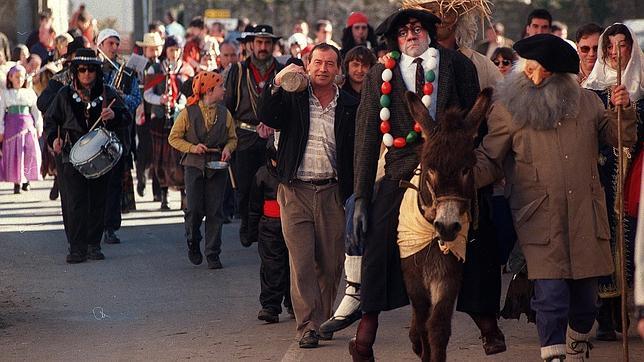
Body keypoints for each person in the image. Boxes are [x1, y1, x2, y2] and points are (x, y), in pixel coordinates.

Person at [474, 33, 636, 362]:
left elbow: (620, 136)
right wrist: (457, 177)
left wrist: (623, 110)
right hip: (538, 218)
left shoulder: (589, 102)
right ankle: (554, 355)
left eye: (543, 73)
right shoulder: (507, 110)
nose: (533, 79)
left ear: (562, 77)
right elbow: (490, 160)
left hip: (586, 217)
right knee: (550, 297)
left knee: (586, 302)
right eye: (529, 70)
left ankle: (576, 341)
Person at [350, 8, 479, 360]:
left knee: (484, 232)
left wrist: (456, 151)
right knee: (376, 243)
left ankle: (487, 320)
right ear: (395, 39)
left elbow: (474, 122)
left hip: (450, 169)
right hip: (401, 169)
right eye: (404, 30)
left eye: (417, 28)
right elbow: (365, 137)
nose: (411, 34)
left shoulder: (455, 65)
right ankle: (366, 328)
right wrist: (361, 195)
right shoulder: (380, 73)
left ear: (429, 33)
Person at [258, 43, 358, 348]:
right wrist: (277, 80)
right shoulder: (293, 98)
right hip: (295, 191)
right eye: (317, 63)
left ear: (338, 70)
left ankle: (322, 318)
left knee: (329, 265)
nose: (323, 69)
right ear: (307, 64)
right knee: (301, 263)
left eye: (330, 64)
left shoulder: (350, 105)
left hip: (332, 193)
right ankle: (307, 326)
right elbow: (266, 113)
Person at [583, 23, 643, 342]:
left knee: (633, 243)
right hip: (603, 177)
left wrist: (630, 107)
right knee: (606, 243)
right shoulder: (592, 93)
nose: (615, 52)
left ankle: (631, 311)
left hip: (635, 177)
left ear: (632, 49)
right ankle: (605, 316)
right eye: (610, 47)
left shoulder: (642, 89)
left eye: (622, 45)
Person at [43, 48, 131, 263]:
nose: (86, 74)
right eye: (81, 70)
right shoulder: (64, 94)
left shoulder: (108, 93)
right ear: (75, 72)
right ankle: (76, 247)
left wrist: (114, 114)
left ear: (97, 72)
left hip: (100, 156)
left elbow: (126, 116)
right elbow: (50, 121)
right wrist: (53, 138)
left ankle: (93, 245)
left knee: (98, 201)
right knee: (75, 202)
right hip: (70, 154)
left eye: (91, 70)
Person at [318, 44, 375, 335]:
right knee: (353, 220)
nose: (359, 70)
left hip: (381, 168)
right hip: (347, 175)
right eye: (354, 64)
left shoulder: (381, 91)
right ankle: (353, 290)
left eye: (365, 65)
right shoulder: (341, 98)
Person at [168, 71, 237, 269]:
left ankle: (213, 253)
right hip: (194, 166)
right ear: (209, 90)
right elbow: (174, 138)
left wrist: (227, 149)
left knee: (216, 211)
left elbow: (232, 138)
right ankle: (192, 240)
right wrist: (192, 148)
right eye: (220, 86)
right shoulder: (187, 113)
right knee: (195, 209)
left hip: (217, 166)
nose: (224, 90)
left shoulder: (225, 114)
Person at [224, 25, 284, 247]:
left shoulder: (281, 69)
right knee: (246, 186)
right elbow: (228, 105)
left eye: (267, 43)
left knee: (273, 185)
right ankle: (247, 224)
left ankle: (268, 228)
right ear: (251, 44)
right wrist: (227, 140)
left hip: (274, 137)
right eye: (259, 42)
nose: (263, 47)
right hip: (245, 135)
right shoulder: (238, 70)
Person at [96, 28, 142, 244]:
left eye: (116, 44)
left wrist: (121, 100)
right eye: (110, 44)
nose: (114, 48)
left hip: (119, 130)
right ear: (101, 45)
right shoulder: (93, 69)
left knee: (114, 181)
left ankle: (110, 227)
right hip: (95, 132)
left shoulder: (128, 72)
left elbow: (136, 99)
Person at [144, 35, 194, 210]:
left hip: (180, 119)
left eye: (177, 49)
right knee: (160, 159)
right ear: (166, 50)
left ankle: (183, 196)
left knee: (179, 159)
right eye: (172, 49)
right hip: (159, 120)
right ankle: (164, 197)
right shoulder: (155, 69)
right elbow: (147, 94)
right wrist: (161, 100)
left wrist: (180, 103)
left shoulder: (186, 70)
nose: (174, 53)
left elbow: (192, 95)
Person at [249, 144, 293, 323]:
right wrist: (251, 230)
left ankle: (293, 302)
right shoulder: (262, 174)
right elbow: (254, 205)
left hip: (292, 223)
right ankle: (270, 306)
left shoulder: (294, 171)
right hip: (269, 226)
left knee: (295, 266)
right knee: (271, 267)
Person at [0, 65, 42, 193]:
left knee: (28, 154)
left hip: (27, 127)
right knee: (15, 155)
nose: (19, 79)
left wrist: (38, 126)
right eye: (17, 77)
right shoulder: (6, 94)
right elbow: (1, 112)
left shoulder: (29, 93)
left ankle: (27, 179)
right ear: (10, 77)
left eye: (22, 76)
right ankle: (16, 182)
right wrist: (1, 130)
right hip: (12, 128)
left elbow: (36, 111)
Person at [135, 32, 165, 200]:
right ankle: (140, 176)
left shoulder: (161, 66)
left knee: (156, 152)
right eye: (151, 49)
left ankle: (157, 191)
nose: (154, 52)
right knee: (144, 149)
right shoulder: (138, 66)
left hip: (155, 113)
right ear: (145, 49)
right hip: (142, 111)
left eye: (157, 49)